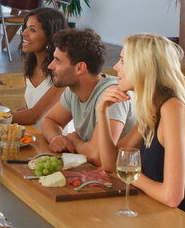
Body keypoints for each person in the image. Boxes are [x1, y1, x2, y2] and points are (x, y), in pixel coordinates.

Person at [95, 34, 185, 228]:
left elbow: (172, 197)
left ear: (144, 67)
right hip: (159, 218)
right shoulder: (152, 108)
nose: (116, 67)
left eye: (122, 61)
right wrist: (101, 110)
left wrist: (132, 175)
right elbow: (111, 164)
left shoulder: (172, 109)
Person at [40, 28, 136, 166]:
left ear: (80, 68)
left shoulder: (113, 94)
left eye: (58, 61)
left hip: (120, 180)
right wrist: (56, 137)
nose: (50, 66)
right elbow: (50, 120)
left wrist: (75, 141)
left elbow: (97, 156)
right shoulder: (73, 90)